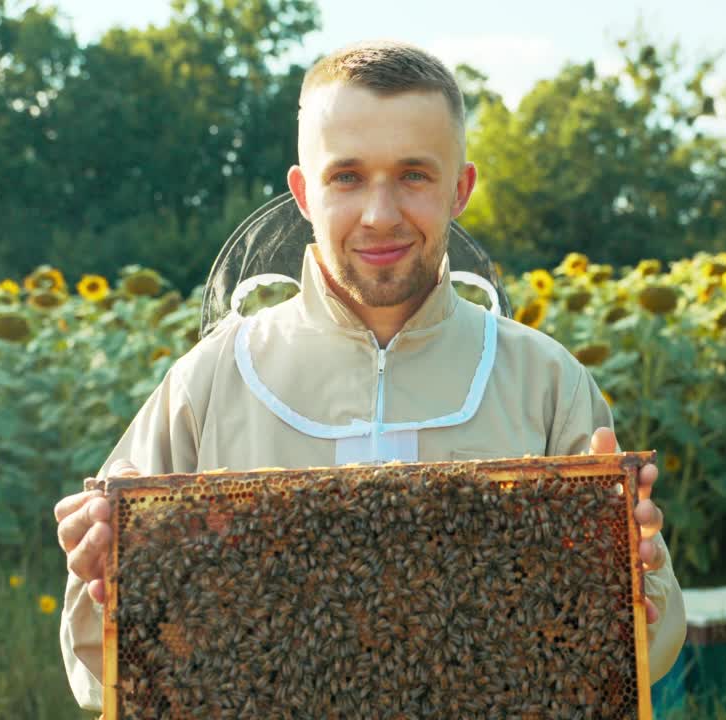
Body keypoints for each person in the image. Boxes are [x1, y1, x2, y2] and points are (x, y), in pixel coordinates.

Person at [53, 40, 685, 712]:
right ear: (303, 191)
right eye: (347, 177)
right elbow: (100, 671)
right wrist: (104, 573)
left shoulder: (546, 381)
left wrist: (633, 583)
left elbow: (648, 644)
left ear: (460, 189)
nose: (381, 214)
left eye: (414, 174)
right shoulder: (205, 385)